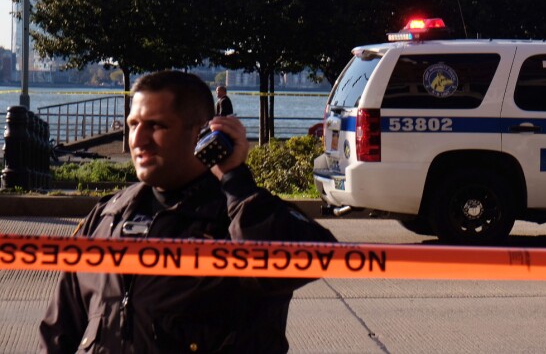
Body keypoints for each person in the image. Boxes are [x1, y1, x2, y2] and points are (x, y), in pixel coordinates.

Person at [40, 70, 335, 353]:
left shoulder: (239, 215)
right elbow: (59, 332)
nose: (137, 140)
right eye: (133, 124)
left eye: (156, 126)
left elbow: (315, 259)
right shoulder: (107, 216)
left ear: (201, 132)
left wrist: (235, 181)